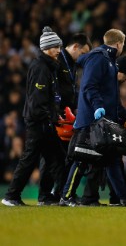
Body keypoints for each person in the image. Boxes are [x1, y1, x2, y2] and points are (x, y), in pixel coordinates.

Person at [59, 29, 126, 207]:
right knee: (82, 158)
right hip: (92, 121)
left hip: (103, 123)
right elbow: (89, 86)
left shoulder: (107, 60)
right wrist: (98, 107)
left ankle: (124, 198)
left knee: (111, 160)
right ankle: (66, 197)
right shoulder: (100, 58)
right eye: (123, 44)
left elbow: (115, 103)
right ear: (119, 44)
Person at [2, 27, 66, 206]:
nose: (59, 50)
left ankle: (52, 197)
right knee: (32, 160)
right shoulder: (41, 67)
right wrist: (48, 118)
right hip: (39, 122)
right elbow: (39, 100)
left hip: (43, 120)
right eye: (56, 46)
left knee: (56, 158)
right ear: (47, 47)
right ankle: (11, 196)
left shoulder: (48, 66)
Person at [39, 33, 93, 205]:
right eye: (83, 53)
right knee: (50, 157)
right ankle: (44, 195)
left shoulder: (72, 64)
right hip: (54, 115)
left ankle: (59, 193)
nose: (83, 57)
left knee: (63, 156)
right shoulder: (58, 60)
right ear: (75, 46)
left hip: (66, 115)